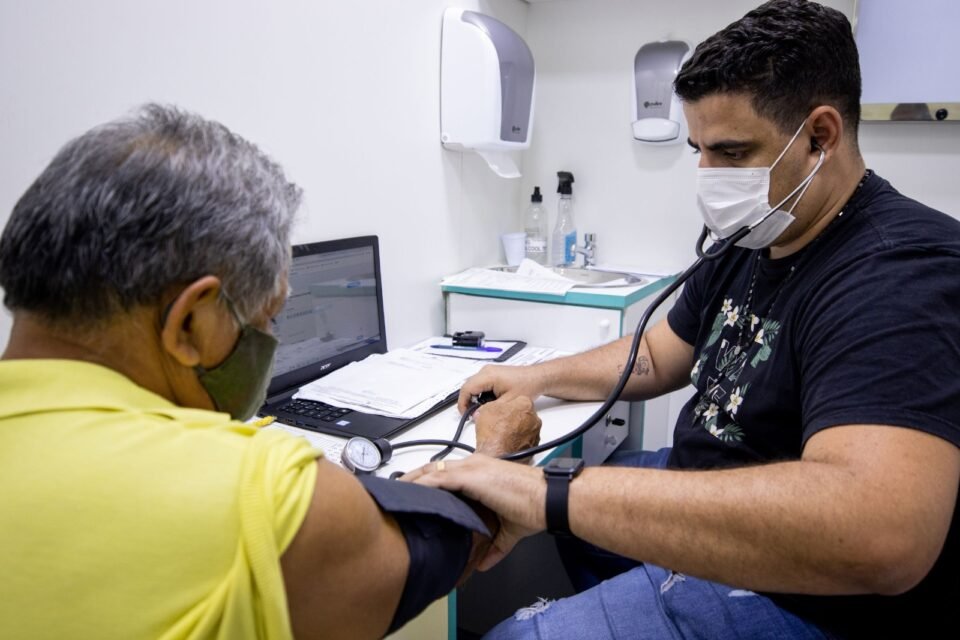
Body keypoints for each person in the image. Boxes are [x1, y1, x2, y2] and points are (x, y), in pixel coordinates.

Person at [407, 1, 960, 638]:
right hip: (701, 471)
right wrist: (536, 379)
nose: (707, 176)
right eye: (699, 149)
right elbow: (658, 353)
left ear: (820, 136)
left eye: (731, 151)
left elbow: (878, 533)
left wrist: (548, 499)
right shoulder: (758, 233)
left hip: (800, 589)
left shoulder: (902, 270)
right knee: (574, 508)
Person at [0, 104, 542, 639]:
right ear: (190, 323)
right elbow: (439, 552)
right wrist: (496, 457)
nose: (270, 338)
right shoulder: (261, 492)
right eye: (268, 317)